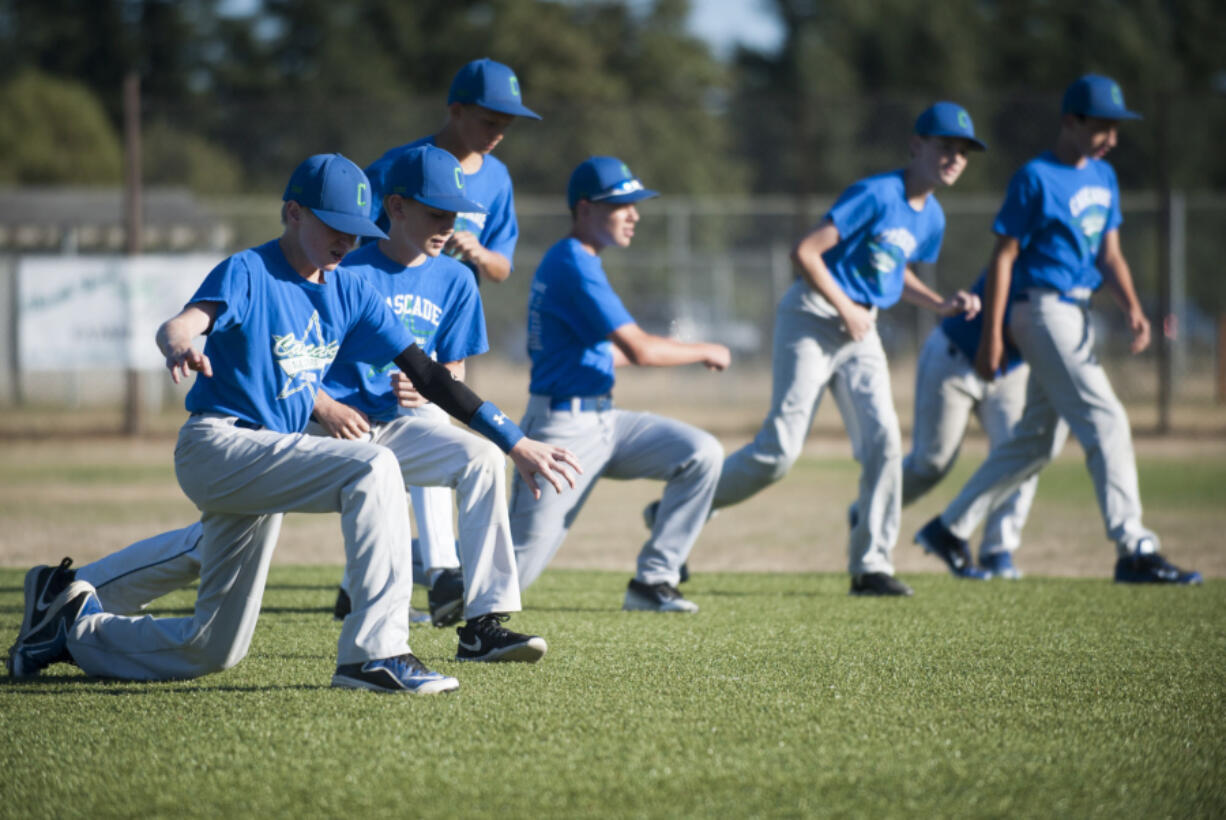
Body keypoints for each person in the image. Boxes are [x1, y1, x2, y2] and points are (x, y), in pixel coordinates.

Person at [6, 153, 579, 693]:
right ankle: (374, 652)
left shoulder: (350, 288)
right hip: (219, 443)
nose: (345, 240)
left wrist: (515, 441)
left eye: (355, 230)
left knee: (212, 648)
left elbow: (431, 377)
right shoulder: (249, 270)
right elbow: (183, 323)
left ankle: (69, 626)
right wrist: (179, 345)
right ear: (293, 213)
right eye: (333, 225)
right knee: (375, 466)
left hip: (271, 455)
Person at [915, 75, 1202, 585]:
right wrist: (992, 336)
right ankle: (1133, 545)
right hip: (1042, 310)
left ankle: (950, 528)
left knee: (1037, 442)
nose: (1112, 138)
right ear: (1071, 121)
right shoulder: (1036, 177)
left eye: (1117, 129)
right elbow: (1002, 259)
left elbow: (1109, 252)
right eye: (1103, 127)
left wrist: (1132, 304)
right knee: (1106, 419)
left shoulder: (1103, 177)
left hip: (1076, 312)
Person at [705, 102, 985, 597]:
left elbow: (896, 271)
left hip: (861, 330)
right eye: (945, 147)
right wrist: (845, 306)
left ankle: (871, 566)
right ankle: (680, 507)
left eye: (963, 152)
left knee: (886, 445)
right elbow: (805, 253)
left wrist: (940, 303)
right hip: (813, 314)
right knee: (779, 452)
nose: (955, 158)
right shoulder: (877, 193)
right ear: (917, 146)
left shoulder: (932, 216)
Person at [509, 156, 730, 613]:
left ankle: (653, 582)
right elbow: (641, 351)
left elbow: (605, 353)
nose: (634, 214)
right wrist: (705, 349)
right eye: (622, 204)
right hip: (561, 433)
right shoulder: (573, 261)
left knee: (702, 452)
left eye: (636, 203)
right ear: (585, 209)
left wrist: (662, 346)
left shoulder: (577, 259)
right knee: (512, 572)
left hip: (602, 419)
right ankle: (407, 568)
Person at [364, 57, 540, 606]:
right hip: (379, 326)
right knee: (415, 424)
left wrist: (479, 252)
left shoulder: (498, 178)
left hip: (447, 319)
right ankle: (438, 570)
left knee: (436, 425)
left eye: (507, 124)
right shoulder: (401, 165)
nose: (499, 134)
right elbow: (351, 242)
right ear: (456, 110)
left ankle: (396, 580)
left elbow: (502, 268)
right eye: (490, 121)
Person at [892, 272, 1069, 579]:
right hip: (956, 357)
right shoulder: (1026, 255)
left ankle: (998, 549)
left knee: (1022, 452)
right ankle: (871, 507)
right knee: (931, 463)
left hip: (1011, 370)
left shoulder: (1077, 262)